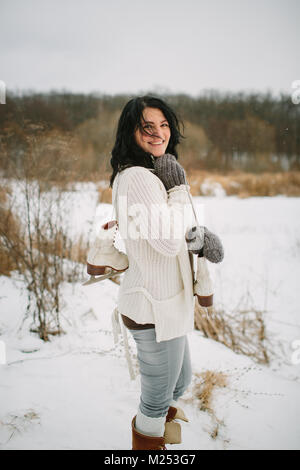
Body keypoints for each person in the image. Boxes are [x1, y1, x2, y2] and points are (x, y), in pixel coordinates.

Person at [109, 95, 224, 450]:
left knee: (180, 382)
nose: (158, 133)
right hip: (152, 307)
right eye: (148, 126)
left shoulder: (155, 173)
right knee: (157, 399)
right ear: (132, 132)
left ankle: (161, 431)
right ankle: (149, 443)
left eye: (164, 125)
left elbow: (176, 231)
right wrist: (177, 189)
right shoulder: (140, 178)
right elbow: (164, 241)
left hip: (169, 303)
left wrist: (201, 237)